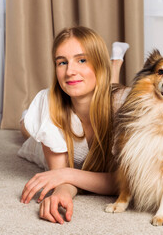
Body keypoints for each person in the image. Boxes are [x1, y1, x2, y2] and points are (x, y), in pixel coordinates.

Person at [18, 26, 130, 225]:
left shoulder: (123, 105)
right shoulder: (49, 103)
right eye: (62, 62)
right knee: (25, 129)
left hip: (106, 99)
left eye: (82, 60)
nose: (69, 71)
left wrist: (66, 174)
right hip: (44, 143)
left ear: (98, 63)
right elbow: (58, 174)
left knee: (110, 95)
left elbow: (123, 182)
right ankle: (26, 117)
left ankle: (115, 63)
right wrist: (61, 192)